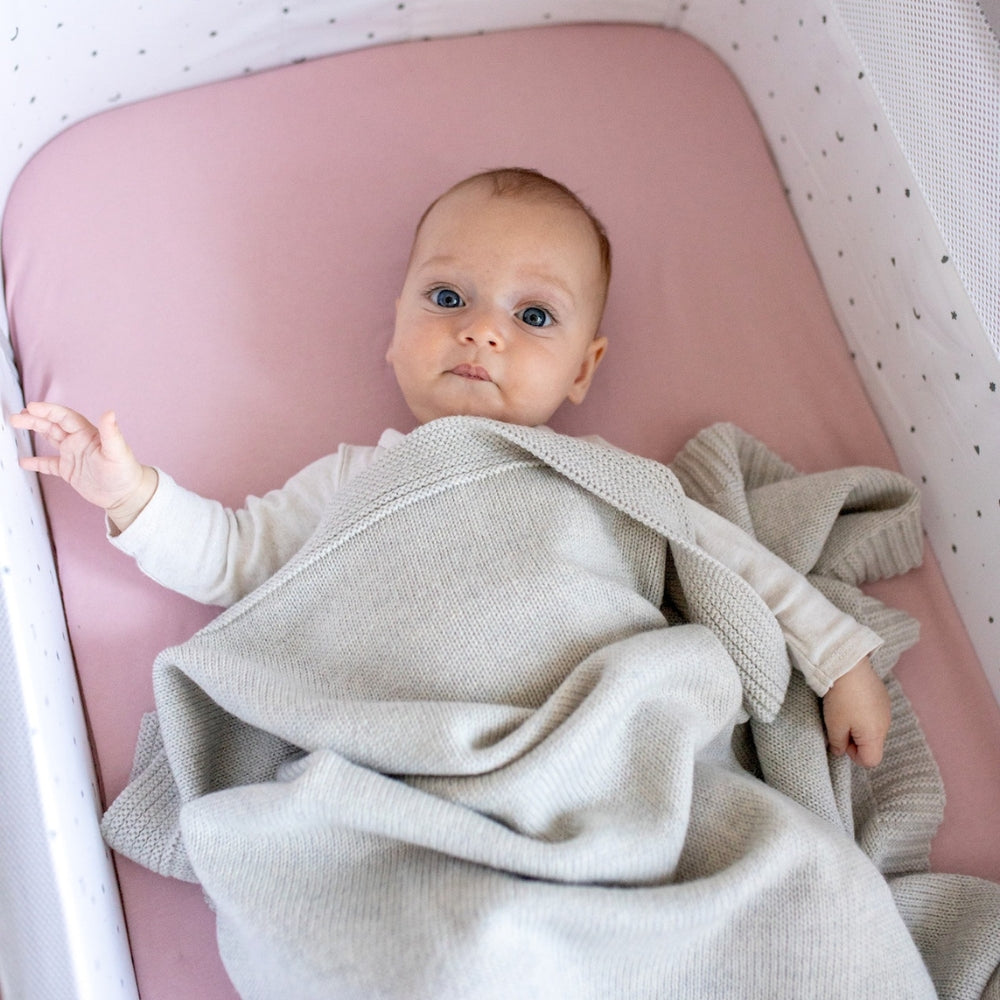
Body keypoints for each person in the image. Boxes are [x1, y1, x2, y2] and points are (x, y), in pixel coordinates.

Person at [11, 167, 891, 767]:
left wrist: (840, 662)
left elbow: (728, 565)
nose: (481, 331)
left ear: (583, 370)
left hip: (600, 732)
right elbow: (235, 559)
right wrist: (130, 493)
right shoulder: (359, 477)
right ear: (395, 334)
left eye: (534, 316)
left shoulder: (606, 477)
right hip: (417, 735)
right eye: (447, 298)